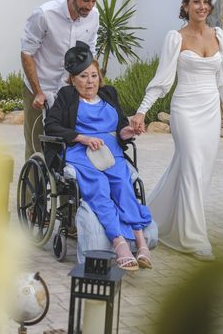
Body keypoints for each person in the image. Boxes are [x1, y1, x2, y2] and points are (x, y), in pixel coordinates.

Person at [130, 0, 223, 262]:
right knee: (191, 163)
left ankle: (158, 219)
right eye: (195, 1)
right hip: (185, 110)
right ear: (185, 6)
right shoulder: (175, 38)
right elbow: (162, 81)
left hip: (211, 112)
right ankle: (194, 238)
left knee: (198, 170)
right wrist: (142, 111)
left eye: (205, 1)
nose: (202, 6)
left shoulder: (220, 36)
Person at [45, 41, 153, 271]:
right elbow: (51, 126)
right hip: (81, 152)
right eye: (83, 76)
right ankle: (118, 242)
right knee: (100, 186)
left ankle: (140, 240)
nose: (90, 81)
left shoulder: (109, 94)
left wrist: (130, 131)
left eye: (93, 75)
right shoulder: (66, 96)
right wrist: (81, 138)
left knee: (123, 184)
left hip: (111, 151)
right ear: (73, 79)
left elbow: (121, 129)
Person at [20, 0, 100, 161]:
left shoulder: (94, 16)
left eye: (94, 1)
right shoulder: (45, 14)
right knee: (37, 147)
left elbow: (90, 53)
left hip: (68, 91)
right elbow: (27, 53)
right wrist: (38, 91)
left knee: (69, 142)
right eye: (85, 0)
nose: (89, 6)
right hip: (39, 85)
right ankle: (34, 191)